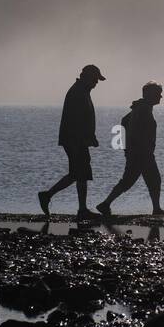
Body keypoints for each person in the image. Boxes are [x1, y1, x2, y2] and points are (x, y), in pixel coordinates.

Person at [38, 64, 105, 219]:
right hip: (75, 140)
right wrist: (81, 141)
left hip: (77, 140)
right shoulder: (78, 92)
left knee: (77, 174)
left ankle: (48, 196)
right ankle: (81, 210)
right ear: (87, 77)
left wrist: (91, 137)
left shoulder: (82, 90)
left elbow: (83, 119)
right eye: (95, 79)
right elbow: (75, 121)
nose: (96, 83)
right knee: (80, 174)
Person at [96, 81, 164, 220]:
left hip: (139, 152)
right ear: (150, 95)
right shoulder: (143, 109)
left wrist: (126, 147)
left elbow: (124, 121)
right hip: (141, 152)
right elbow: (130, 126)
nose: (161, 97)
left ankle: (106, 204)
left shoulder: (142, 107)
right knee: (148, 179)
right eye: (158, 94)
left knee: (136, 180)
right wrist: (131, 147)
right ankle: (156, 209)